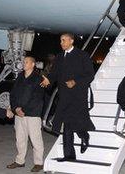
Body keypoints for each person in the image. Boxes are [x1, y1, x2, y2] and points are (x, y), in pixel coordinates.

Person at [41, 33, 95, 161]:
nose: (61, 43)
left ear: (71, 41)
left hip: (78, 95)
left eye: (64, 40)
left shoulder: (82, 55)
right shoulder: (59, 57)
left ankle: (84, 136)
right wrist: (48, 80)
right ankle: (69, 155)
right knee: (67, 124)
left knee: (75, 121)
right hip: (64, 96)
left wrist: (75, 81)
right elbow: (54, 73)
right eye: (60, 41)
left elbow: (90, 75)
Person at [7, 56, 45, 172]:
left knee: (35, 139)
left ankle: (38, 163)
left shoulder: (39, 78)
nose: (23, 63)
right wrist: (15, 108)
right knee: (20, 139)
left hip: (32, 114)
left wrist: (23, 109)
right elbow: (13, 94)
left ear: (33, 64)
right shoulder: (19, 77)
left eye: (26, 62)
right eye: (23, 62)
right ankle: (20, 161)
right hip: (19, 114)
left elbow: (37, 98)